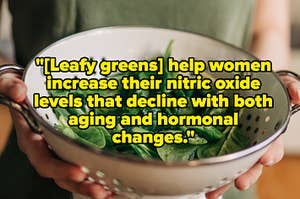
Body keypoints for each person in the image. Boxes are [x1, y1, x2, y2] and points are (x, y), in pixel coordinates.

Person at [0, 0, 299, 199]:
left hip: (218, 178)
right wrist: (7, 78)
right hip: (46, 155)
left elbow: (268, 27)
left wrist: (265, 87)